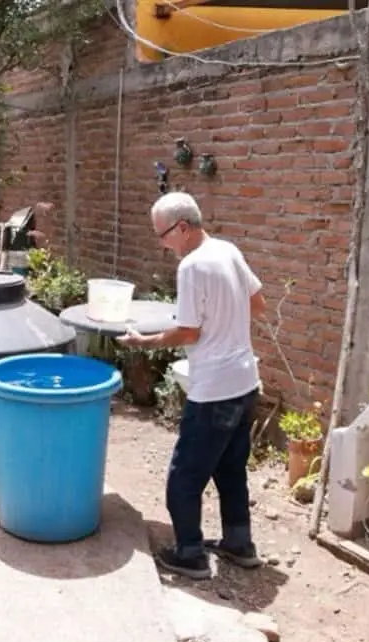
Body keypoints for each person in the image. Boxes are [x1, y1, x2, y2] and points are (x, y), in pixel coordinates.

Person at [117, 191, 266, 580]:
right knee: (231, 470)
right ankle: (239, 543)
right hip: (245, 380)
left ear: (182, 227)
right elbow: (258, 303)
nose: (162, 244)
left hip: (214, 389)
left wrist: (144, 342)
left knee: (184, 477)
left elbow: (187, 332)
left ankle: (190, 554)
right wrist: (223, 320)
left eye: (162, 235)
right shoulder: (228, 250)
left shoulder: (192, 266)